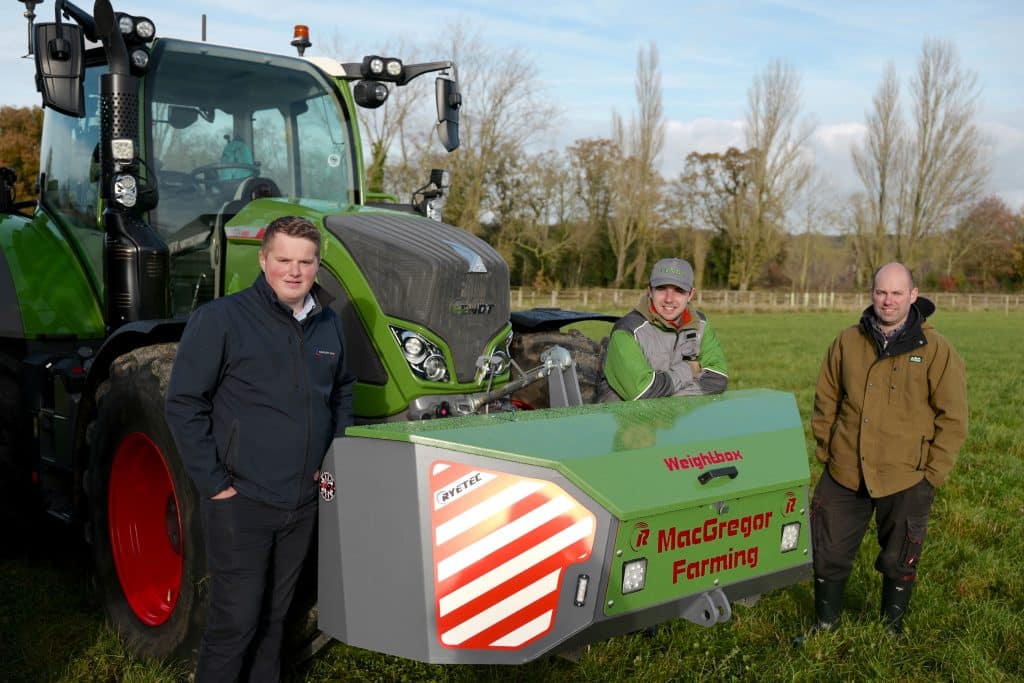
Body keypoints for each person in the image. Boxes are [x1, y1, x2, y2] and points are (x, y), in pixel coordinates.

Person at [165, 215, 354, 681]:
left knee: (276, 621)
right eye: (284, 259)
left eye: (306, 262)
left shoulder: (328, 324)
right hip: (241, 502)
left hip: (301, 504)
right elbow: (184, 403)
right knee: (236, 623)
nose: (295, 271)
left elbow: (343, 392)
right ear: (264, 260)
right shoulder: (223, 319)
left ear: (317, 265)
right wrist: (216, 485)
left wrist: (330, 459)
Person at [806, 262, 968, 637]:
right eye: (881, 292)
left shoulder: (936, 349)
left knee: (900, 558)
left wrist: (933, 473)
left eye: (897, 293)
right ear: (871, 294)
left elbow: (954, 417)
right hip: (844, 469)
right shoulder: (847, 341)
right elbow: (825, 399)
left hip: (907, 474)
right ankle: (825, 624)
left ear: (914, 296)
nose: (888, 300)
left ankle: (891, 629)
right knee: (826, 551)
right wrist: (828, 451)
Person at [600, 257, 728, 401]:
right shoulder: (627, 330)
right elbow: (642, 392)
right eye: (661, 288)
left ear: (690, 294)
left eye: (679, 290)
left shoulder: (701, 325)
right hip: (627, 420)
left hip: (679, 419)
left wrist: (664, 392)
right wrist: (689, 369)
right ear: (650, 290)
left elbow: (718, 379)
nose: (669, 299)